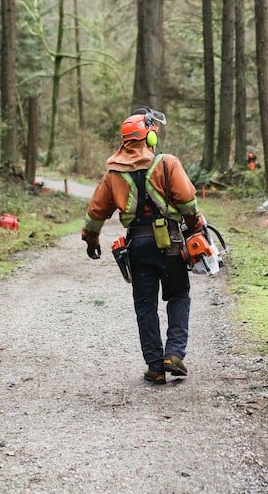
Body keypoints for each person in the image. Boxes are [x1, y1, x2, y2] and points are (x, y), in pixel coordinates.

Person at [81, 107, 206, 384]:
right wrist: (195, 225)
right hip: (171, 243)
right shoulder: (167, 163)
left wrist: (91, 238)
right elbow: (188, 202)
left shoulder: (114, 173)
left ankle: (155, 366)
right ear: (150, 137)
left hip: (137, 245)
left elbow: (96, 212)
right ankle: (174, 354)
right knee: (178, 295)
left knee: (145, 306)